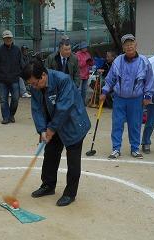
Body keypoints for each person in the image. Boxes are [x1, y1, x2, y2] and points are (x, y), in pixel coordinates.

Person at [22, 59, 91, 207]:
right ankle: (48, 185)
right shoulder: (35, 87)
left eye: (35, 83)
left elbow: (63, 108)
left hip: (73, 123)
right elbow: (37, 109)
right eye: (30, 84)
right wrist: (41, 130)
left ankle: (70, 193)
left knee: (73, 160)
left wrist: (51, 130)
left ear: (43, 75)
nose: (33, 87)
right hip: (53, 124)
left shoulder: (63, 80)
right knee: (51, 154)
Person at [100, 34, 154, 159]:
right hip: (119, 98)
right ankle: (116, 149)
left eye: (131, 44)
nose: (129, 47)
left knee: (135, 124)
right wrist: (104, 92)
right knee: (117, 124)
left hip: (136, 99)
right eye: (126, 44)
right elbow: (110, 79)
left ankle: (135, 148)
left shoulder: (144, 61)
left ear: (136, 45)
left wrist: (148, 96)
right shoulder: (117, 61)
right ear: (123, 47)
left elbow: (149, 81)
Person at [0, 30, 22, 124]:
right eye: (6, 38)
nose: (8, 39)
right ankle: (5, 117)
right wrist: (2, 72)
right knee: (3, 100)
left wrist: (18, 73)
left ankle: (11, 115)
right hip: (2, 79)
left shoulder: (17, 50)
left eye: (9, 37)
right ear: (3, 39)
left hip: (14, 78)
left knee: (15, 98)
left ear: (12, 38)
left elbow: (21, 63)